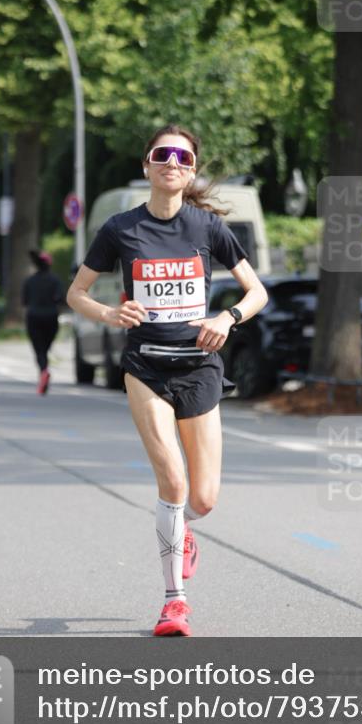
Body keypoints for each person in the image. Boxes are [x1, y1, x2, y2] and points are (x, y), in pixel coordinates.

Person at [67, 124, 268, 636]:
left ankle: (182, 531)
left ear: (191, 169)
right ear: (147, 166)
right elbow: (77, 294)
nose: (172, 162)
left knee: (202, 499)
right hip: (146, 367)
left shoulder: (206, 228)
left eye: (182, 156)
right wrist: (110, 315)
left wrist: (227, 319)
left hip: (199, 368)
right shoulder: (119, 229)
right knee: (172, 483)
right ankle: (174, 602)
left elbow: (256, 293)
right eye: (162, 154)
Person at [22, 250, 65, 394]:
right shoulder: (56, 280)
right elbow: (60, 299)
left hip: (33, 318)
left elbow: (25, 301)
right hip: (51, 318)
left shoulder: (30, 281)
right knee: (45, 348)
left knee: (39, 350)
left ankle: (43, 371)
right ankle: (44, 371)